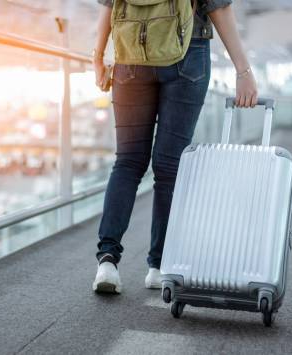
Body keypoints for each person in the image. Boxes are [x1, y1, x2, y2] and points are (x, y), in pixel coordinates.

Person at [92, 0, 258, 293]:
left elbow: (109, 4)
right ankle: (159, 266)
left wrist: (97, 58)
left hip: (131, 54)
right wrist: (243, 71)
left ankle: (107, 261)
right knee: (169, 168)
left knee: (128, 162)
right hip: (187, 51)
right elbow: (219, 7)